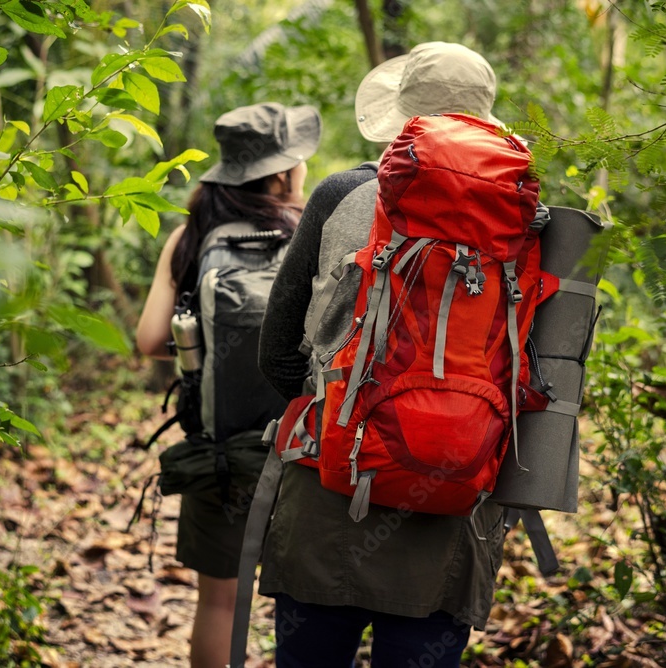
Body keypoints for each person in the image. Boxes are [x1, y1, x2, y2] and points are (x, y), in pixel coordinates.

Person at [256, 42, 510, 667]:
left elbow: (277, 352)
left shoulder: (341, 195)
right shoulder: (524, 219)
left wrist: (340, 413)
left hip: (328, 487)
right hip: (453, 497)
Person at [136, 101, 322, 668]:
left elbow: (147, 339)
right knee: (306, 600)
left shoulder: (192, 237)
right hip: (303, 450)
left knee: (218, 601)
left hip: (219, 454)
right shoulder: (312, 235)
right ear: (282, 172)